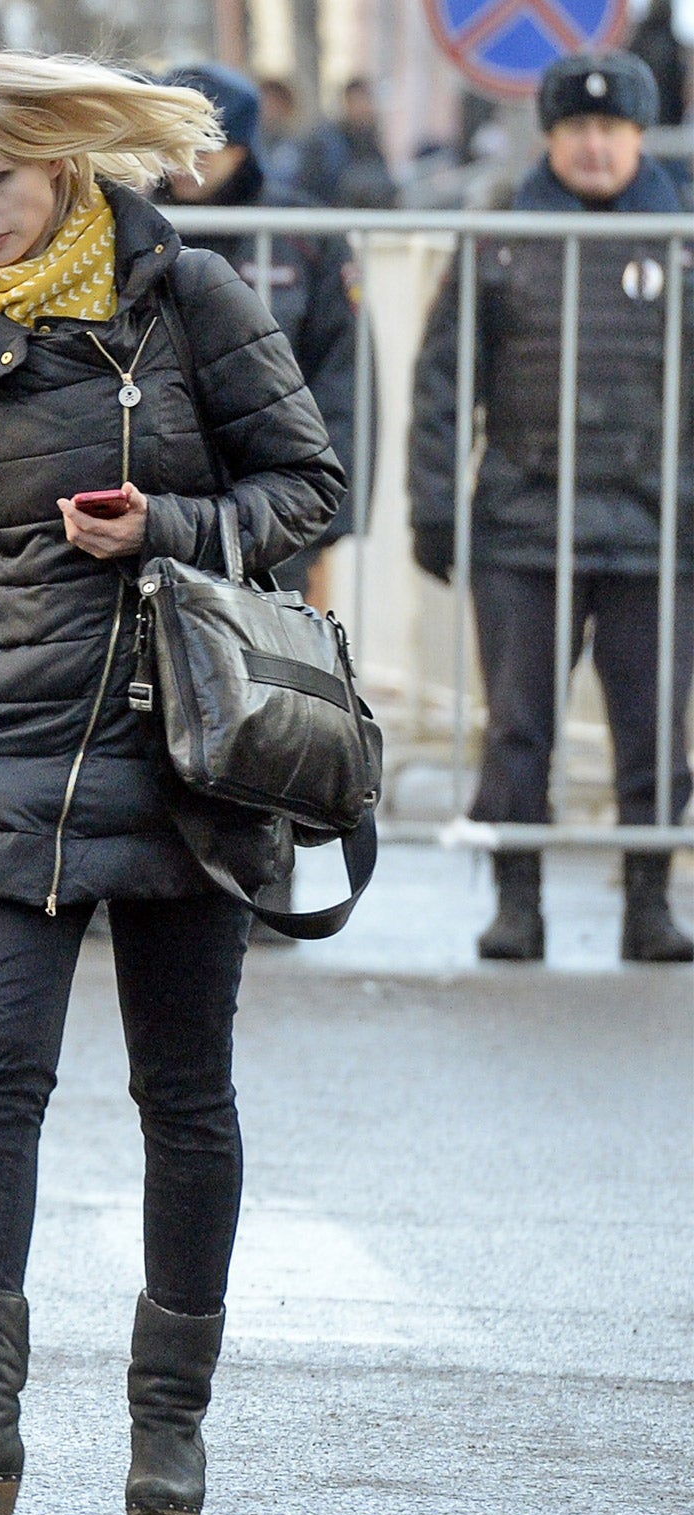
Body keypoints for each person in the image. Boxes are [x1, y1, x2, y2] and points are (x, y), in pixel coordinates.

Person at [0, 50, 342, 1515]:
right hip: (17, 746)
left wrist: (174, 526)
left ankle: (168, 1432)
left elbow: (309, 484)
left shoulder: (190, 297)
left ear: (60, 159)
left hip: (193, 745)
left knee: (184, 1094)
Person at [409, 51, 694, 964]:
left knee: (652, 731)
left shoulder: (683, 237)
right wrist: (436, 508)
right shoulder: (500, 237)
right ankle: (517, 903)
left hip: (660, 532)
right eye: (578, 130)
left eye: (613, 130)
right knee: (520, 728)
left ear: (640, 135)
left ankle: (649, 906)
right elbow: (444, 384)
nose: (597, 146)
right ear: (553, 136)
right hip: (524, 527)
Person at [160, 67, 360, 606]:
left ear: (243, 148)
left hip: (271, 500)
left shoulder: (303, 234)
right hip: (156, 499)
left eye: (205, 149)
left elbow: (341, 375)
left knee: (276, 672)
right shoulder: (126, 229)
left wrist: (332, 505)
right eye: (173, 147)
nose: (187, 165)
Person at [294, 77, 397, 208]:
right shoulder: (328, 140)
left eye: (366, 101)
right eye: (357, 101)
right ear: (347, 102)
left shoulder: (369, 137)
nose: (363, 108)